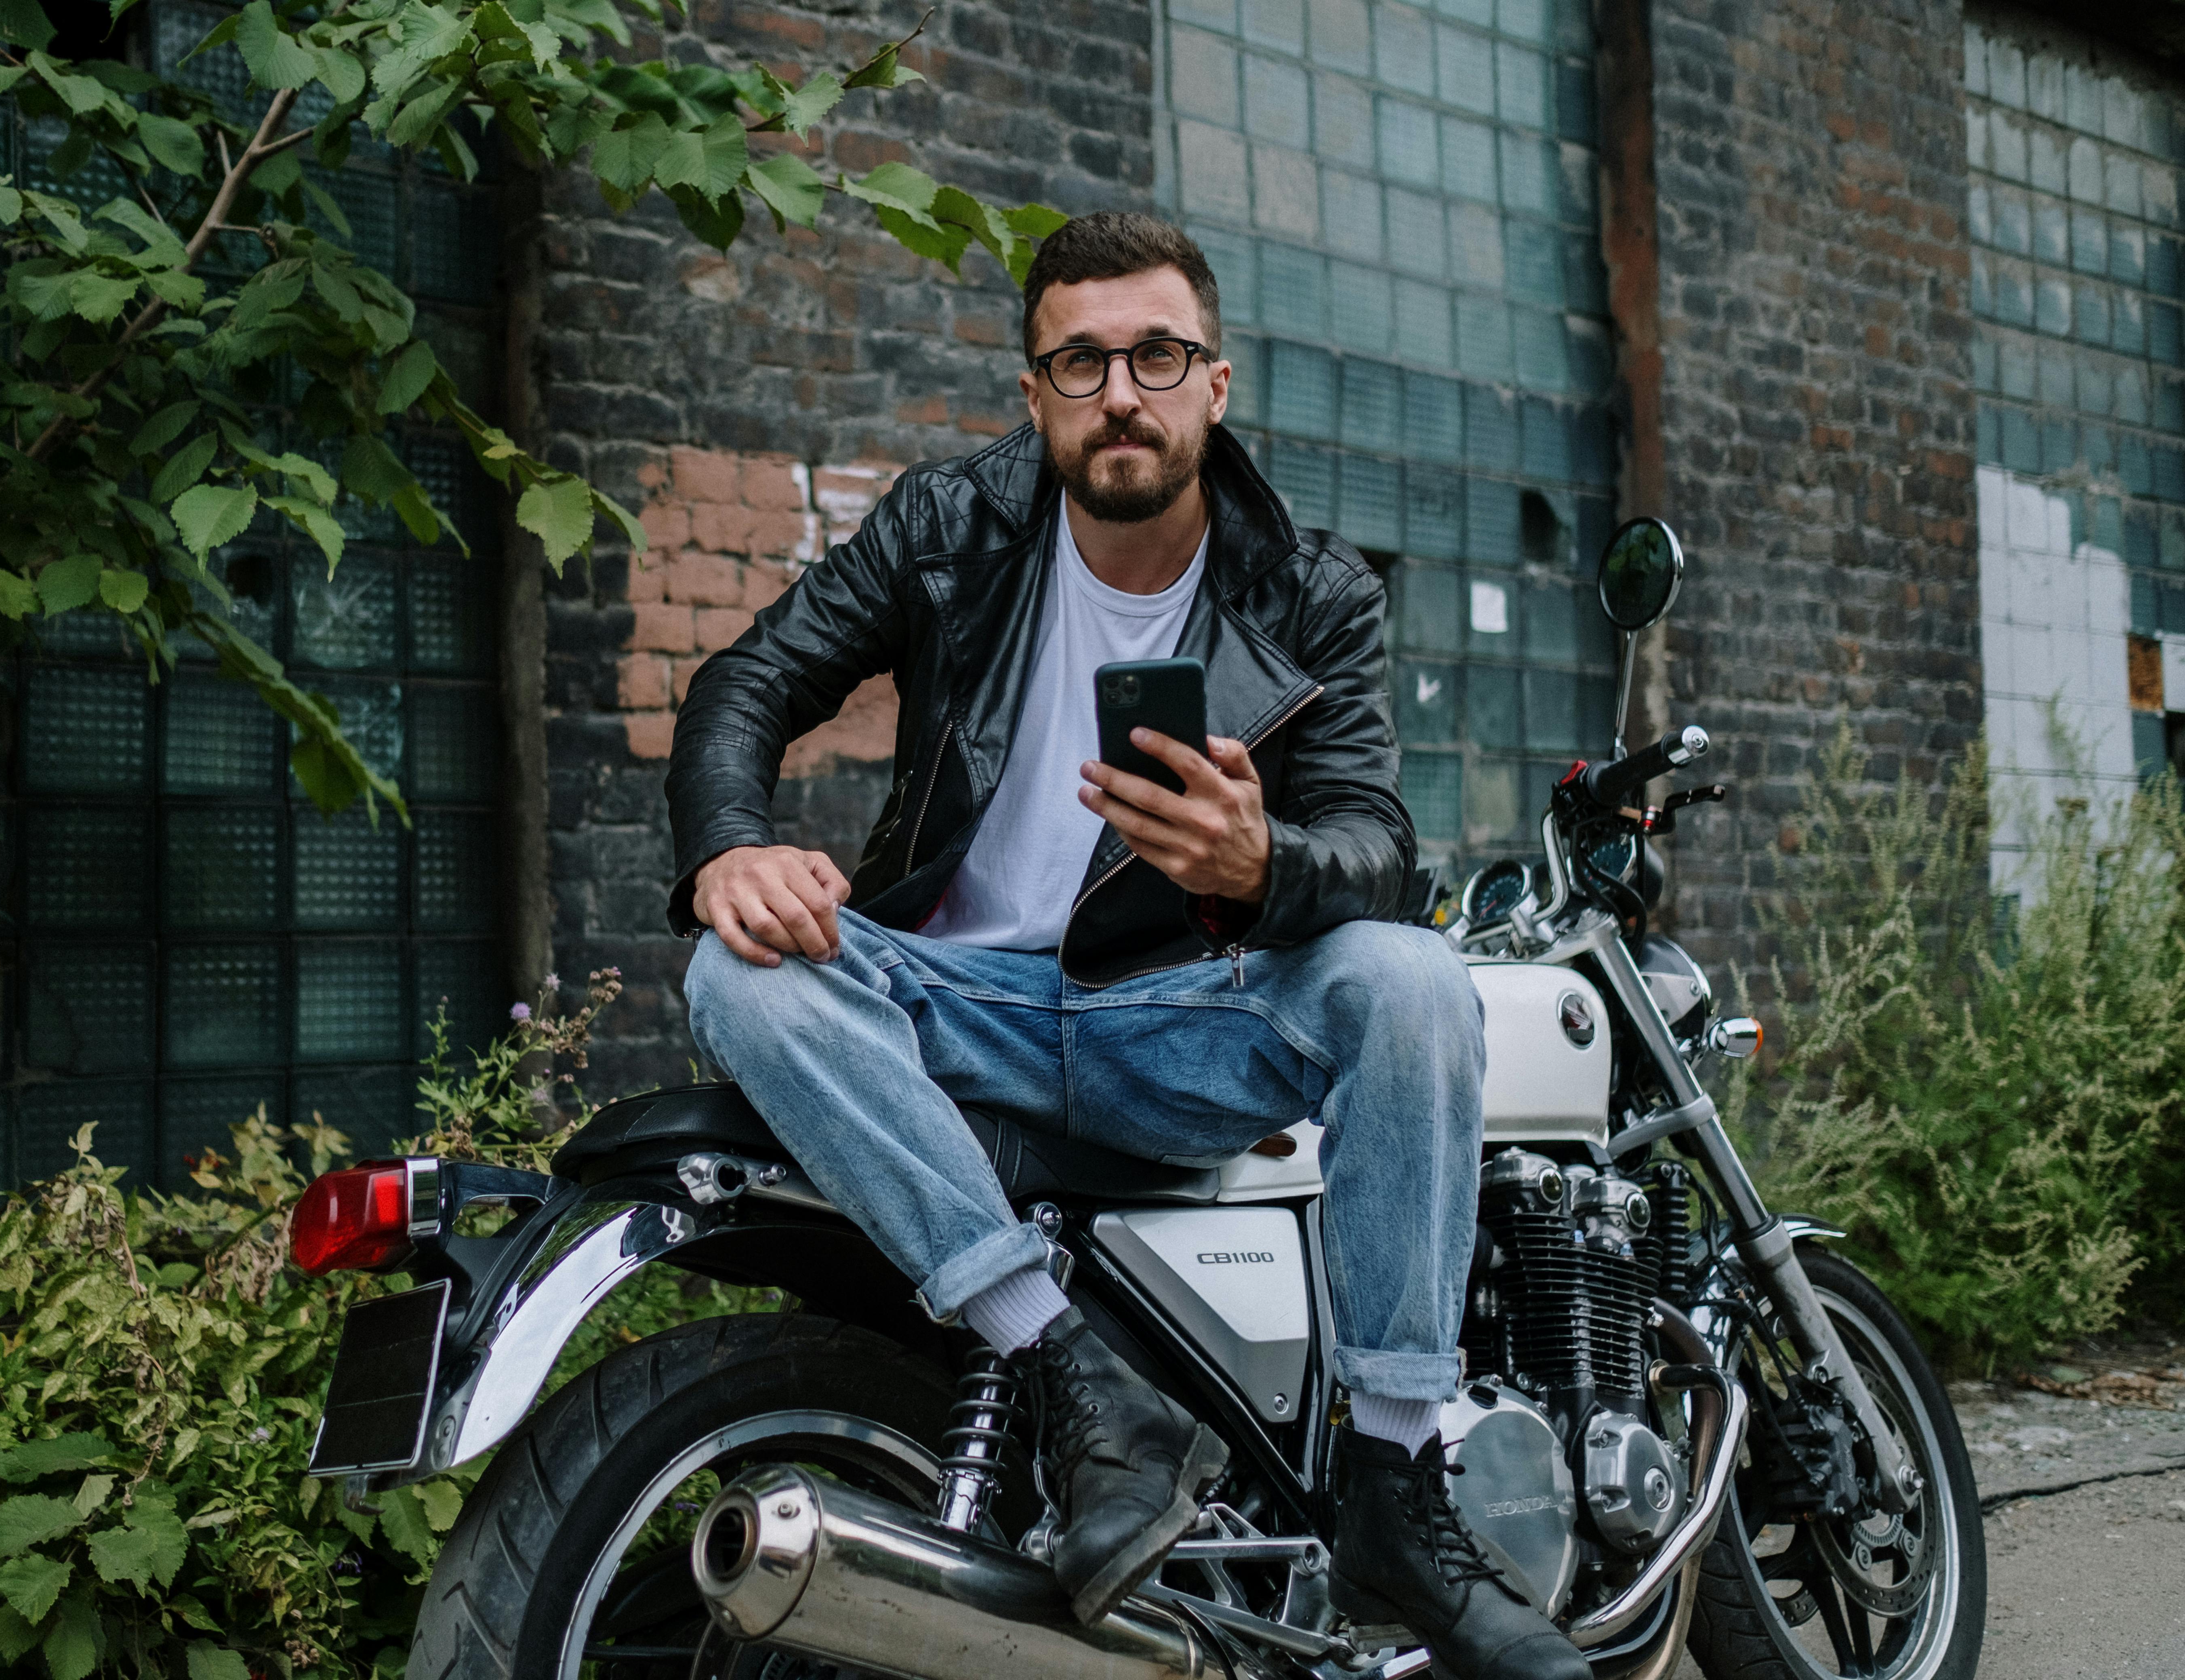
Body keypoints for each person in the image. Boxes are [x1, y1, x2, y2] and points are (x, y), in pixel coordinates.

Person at [666, 212, 1586, 1680]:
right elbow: (751, 678)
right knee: (739, 972)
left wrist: (1259, 861)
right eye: (1079, 360)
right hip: (960, 1006)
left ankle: (1400, 1482)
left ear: (1215, 384)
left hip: (1184, 1019)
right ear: (1034, 395)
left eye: (1157, 354)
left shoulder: (1314, 591)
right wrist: (731, 843)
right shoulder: (948, 528)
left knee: (1414, 975)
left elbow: (1376, 845)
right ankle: (1067, 1366)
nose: (1120, 392)